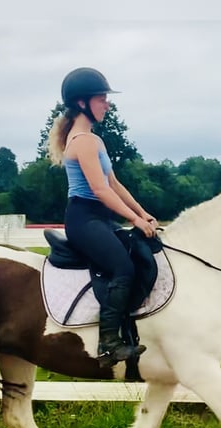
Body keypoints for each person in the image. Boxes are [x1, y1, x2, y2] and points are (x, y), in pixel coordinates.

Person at [47, 67, 158, 368]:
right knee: (121, 266)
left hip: (97, 216)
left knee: (135, 254)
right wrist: (134, 221)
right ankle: (109, 343)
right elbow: (99, 189)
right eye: (102, 99)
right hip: (83, 218)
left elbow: (115, 184)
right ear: (82, 103)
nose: (107, 104)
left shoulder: (94, 139)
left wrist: (142, 212)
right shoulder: (81, 140)